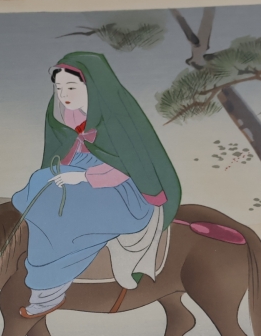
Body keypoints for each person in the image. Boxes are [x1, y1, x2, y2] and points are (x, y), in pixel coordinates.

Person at [11, 52, 181, 317]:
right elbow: (60, 153)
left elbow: (132, 167)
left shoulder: (118, 116)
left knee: (69, 216)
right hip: (77, 173)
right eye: (59, 88)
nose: (63, 94)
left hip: (123, 189)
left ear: (91, 85)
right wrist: (66, 173)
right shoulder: (61, 115)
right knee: (40, 182)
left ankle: (50, 289)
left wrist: (84, 178)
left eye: (71, 87)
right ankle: (42, 265)